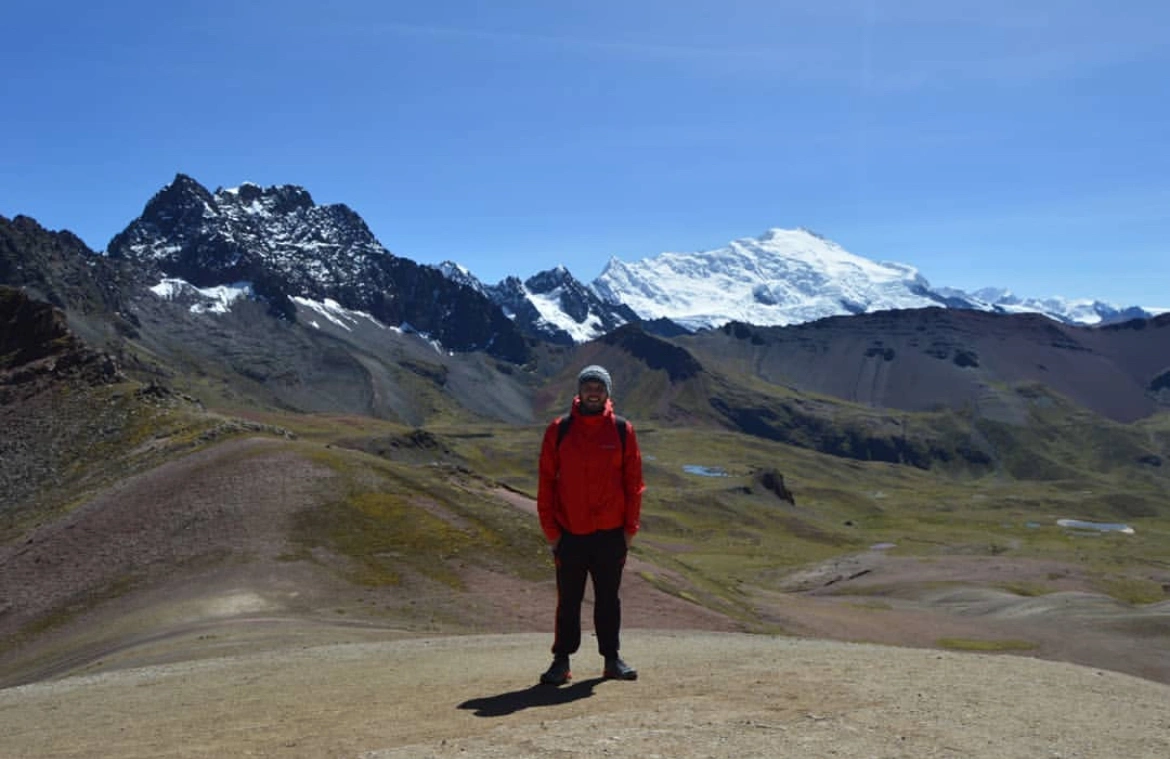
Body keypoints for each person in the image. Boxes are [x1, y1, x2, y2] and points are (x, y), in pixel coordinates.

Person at [536, 364, 645, 685]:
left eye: (599, 387)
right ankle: (561, 661)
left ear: (607, 392)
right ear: (579, 391)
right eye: (588, 386)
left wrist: (629, 530)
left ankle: (612, 660)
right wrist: (552, 533)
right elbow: (546, 483)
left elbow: (634, 484)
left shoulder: (623, 430)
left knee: (608, 599)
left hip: (610, 534)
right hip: (570, 532)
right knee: (568, 601)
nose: (593, 392)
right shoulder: (559, 430)